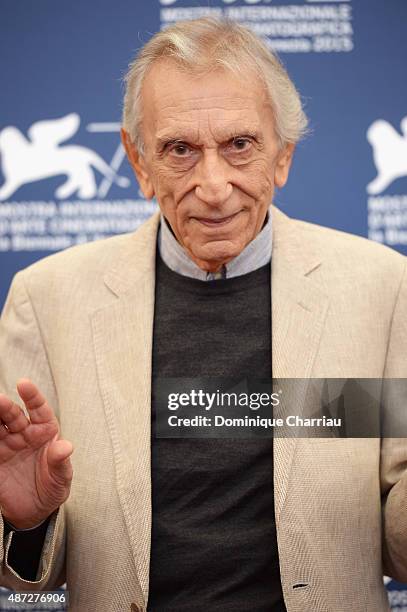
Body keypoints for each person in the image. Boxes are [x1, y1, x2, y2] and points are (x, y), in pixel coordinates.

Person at [0, 17, 407, 612]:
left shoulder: (381, 286)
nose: (213, 186)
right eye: (180, 150)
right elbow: (29, 574)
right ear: (139, 163)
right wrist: (27, 517)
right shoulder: (49, 298)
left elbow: (397, 545)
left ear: (282, 156)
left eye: (240, 145)